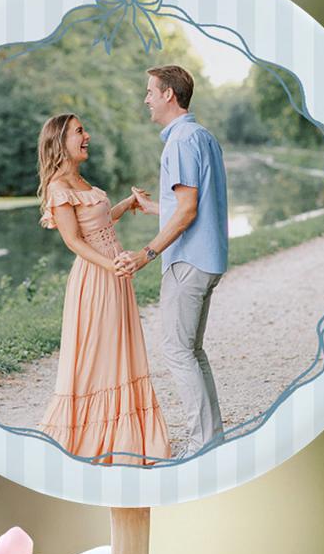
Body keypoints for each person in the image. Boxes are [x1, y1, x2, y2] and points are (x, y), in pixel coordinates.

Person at [33, 110, 169, 464]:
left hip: (116, 273)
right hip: (96, 277)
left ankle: (127, 437)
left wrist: (129, 203)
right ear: (61, 141)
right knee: (99, 355)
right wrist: (114, 265)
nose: (87, 135)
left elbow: (101, 222)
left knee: (119, 351)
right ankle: (89, 436)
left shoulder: (81, 181)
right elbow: (74, 241)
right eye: (80, 131)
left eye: (84, 130)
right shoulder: (58, 188)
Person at [137, 62, 229, 455]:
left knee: (177, 351)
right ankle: (212, 439)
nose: (146, 99)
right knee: (191, 351)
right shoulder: (201, 136)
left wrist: (148, 252)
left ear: (168, 94)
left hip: (187, 261)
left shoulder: (180, 141)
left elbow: (188, 211)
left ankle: (201, 445)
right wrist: (153, 207)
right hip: (206, 258)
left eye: (150, 92)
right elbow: (189, 204)